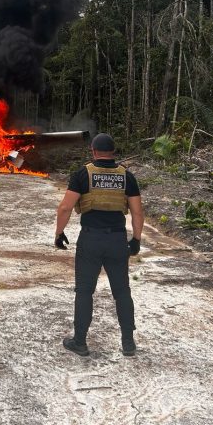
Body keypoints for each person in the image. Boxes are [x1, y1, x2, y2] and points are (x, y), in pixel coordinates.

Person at [55, 133, 145, 357]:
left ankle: (80, 341)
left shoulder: (83, 174)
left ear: (93, 151)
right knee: (122, 291)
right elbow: (137, 212)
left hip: (90, 240)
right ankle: (128, 343)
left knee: (84, 292)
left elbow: (65, 207)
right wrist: (136, 239)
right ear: (113, 152)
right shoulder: (127, 176)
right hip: (116, 240)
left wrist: (59, 233)